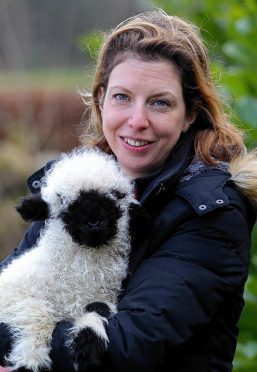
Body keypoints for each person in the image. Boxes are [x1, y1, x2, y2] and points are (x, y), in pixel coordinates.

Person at [0, 8, 257, 372]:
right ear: (101, 99)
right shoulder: (76, 186)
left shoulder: (211, 211)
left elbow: (125, 348)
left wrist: (17, 339)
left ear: (189, 114)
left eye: (160, 102)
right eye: (122, 97)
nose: (137, 121)